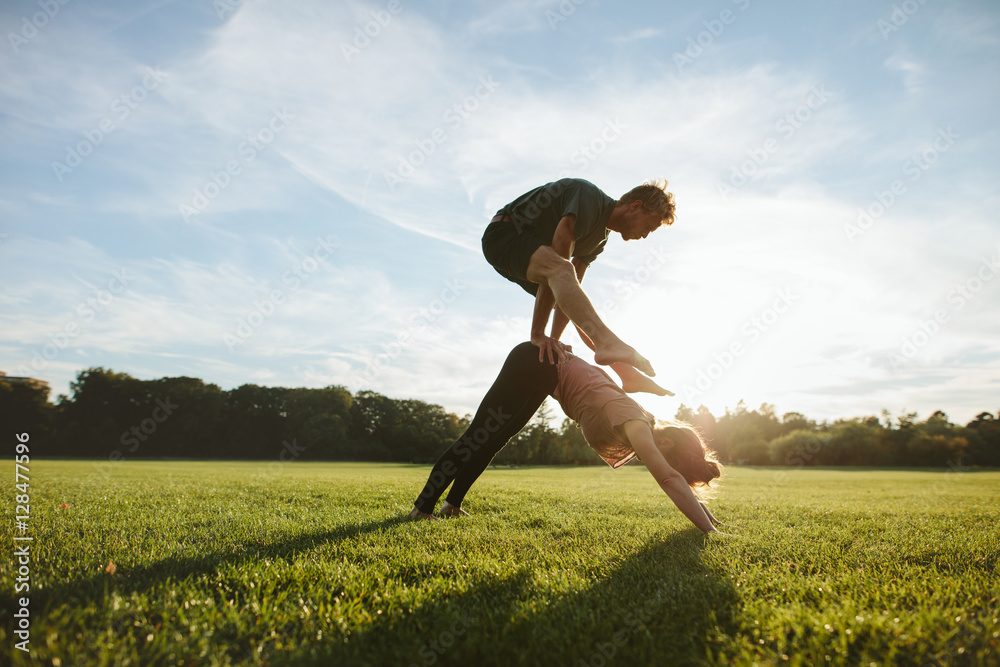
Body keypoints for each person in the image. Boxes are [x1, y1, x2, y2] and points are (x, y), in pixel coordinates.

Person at [407, 342, 724, 533]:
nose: (656, 463)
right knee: (480, 436)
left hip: (542, 369)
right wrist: (710, 531)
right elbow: (669, 479)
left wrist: (715, 521)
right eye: (667, 459)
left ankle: (451, 505)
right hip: (537, 363)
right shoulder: (636, 423)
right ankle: (422, 508)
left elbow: (674, 478)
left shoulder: (637, 420)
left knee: (493, 439)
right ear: (666, 444)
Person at [481, 177, 676, 395]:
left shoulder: (600, 239)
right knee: (561, 273)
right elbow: (561, 256)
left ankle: (628, 376)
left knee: (575, 300)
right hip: (504, 235)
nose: (646, 235)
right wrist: (538, 334)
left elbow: (572, 286)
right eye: (648, 226)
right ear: (636, 206)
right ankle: (607, 343)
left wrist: (553, 340)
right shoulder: (588, 197)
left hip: (535, 254)